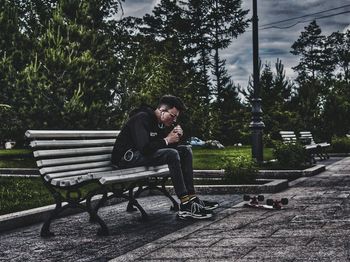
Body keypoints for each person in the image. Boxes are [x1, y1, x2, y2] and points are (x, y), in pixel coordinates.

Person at [111, 95, 218, 219]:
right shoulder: (141, 118)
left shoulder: (158, 123)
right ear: (162, 111)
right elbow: (145, 148)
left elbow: (160, 146)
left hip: (140, 156)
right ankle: (185, 204)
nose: (173, 120)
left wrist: (174, 138)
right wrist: (167, 140)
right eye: (172, 116)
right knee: (171, 154)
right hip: (126, 160)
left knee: (185, 150)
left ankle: (192, 198)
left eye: (176, 117)